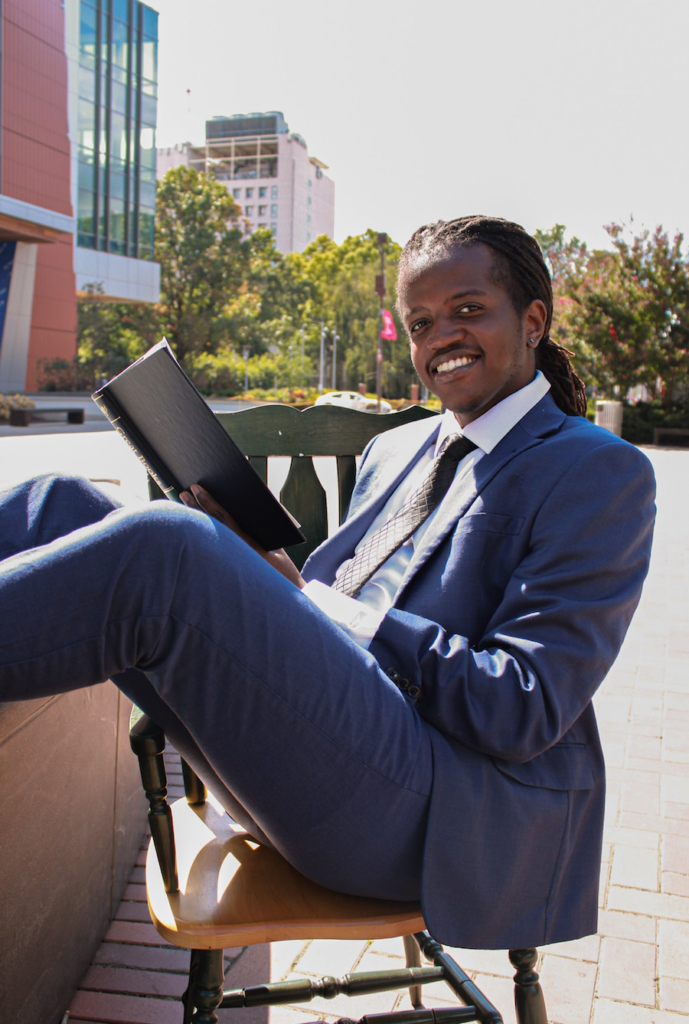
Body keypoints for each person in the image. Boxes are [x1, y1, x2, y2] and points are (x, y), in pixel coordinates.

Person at [0, 216, 655, 951]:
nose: (441, 337)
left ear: (532, 320)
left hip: (427, 813)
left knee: (167, 549)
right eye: (420, 322)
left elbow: (521, 706)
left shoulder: (595, 471)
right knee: (53, 501)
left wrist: (323, 609)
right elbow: (329, 608)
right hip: (302, 767)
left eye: (468, 310)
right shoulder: (397, 445)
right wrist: (273, 577)